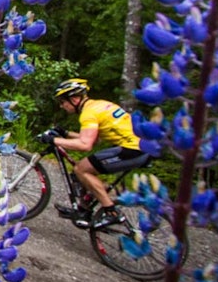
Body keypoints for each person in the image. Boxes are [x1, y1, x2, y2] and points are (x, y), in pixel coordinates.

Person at [50, 78, 150, 228]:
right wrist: (65, 133)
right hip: (143, 147)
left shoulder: (88, 114)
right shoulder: (100, 105)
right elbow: (94, 139)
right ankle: (84, 210)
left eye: (63, 102)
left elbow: (85, 145)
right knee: (83, 169)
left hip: (133, 149)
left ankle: (111, 212)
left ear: (74, 99)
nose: (61, 106)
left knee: (81, 169)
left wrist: (54, 140)